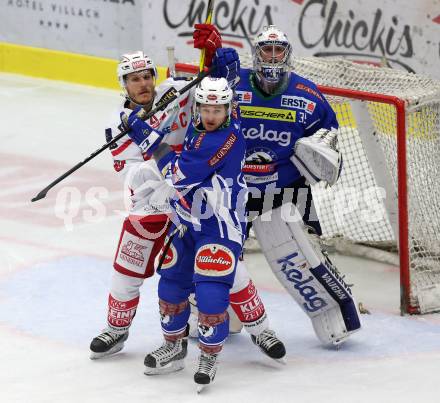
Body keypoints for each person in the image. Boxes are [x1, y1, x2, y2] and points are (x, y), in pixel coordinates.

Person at [90, 34, 285, 362]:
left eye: (146, 76)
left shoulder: (177, 90)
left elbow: (217, 93)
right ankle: (117, 329)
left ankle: (261, 329)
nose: (142, 84)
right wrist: (168, 163)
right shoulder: (118, 125)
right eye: (133, 79)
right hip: (154, 199)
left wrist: (218, 59)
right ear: (123, 84)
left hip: (199, 196)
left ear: (155, 76)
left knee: (230, 270)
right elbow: (135, 175)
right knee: (128, 264)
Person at [201, 24, 362, 346]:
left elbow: (327, 134)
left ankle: (334, 312)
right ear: (255, 52)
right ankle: (217, 314)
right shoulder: (234, 84)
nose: (272, 56)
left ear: (287, 55)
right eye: (266, 49)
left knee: (309, 253)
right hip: (238, 189)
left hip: (289, 187)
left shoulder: (307, 94)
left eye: (278, 50)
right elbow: (205, 111)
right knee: (221, 254)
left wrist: (320, 153)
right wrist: (211, 68)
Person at [141, 76, 249, 390]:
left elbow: (175, 175)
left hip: (219, 225)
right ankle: (174, 349)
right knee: (171, 285)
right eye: (205, 108)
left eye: (218, 109)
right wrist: (217, 60)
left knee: (211, 295)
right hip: (189, 220)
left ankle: (209, 356)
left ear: (229, 109)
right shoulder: (201, 127)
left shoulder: (221, 139)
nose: (211, 115)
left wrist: (147, 138)